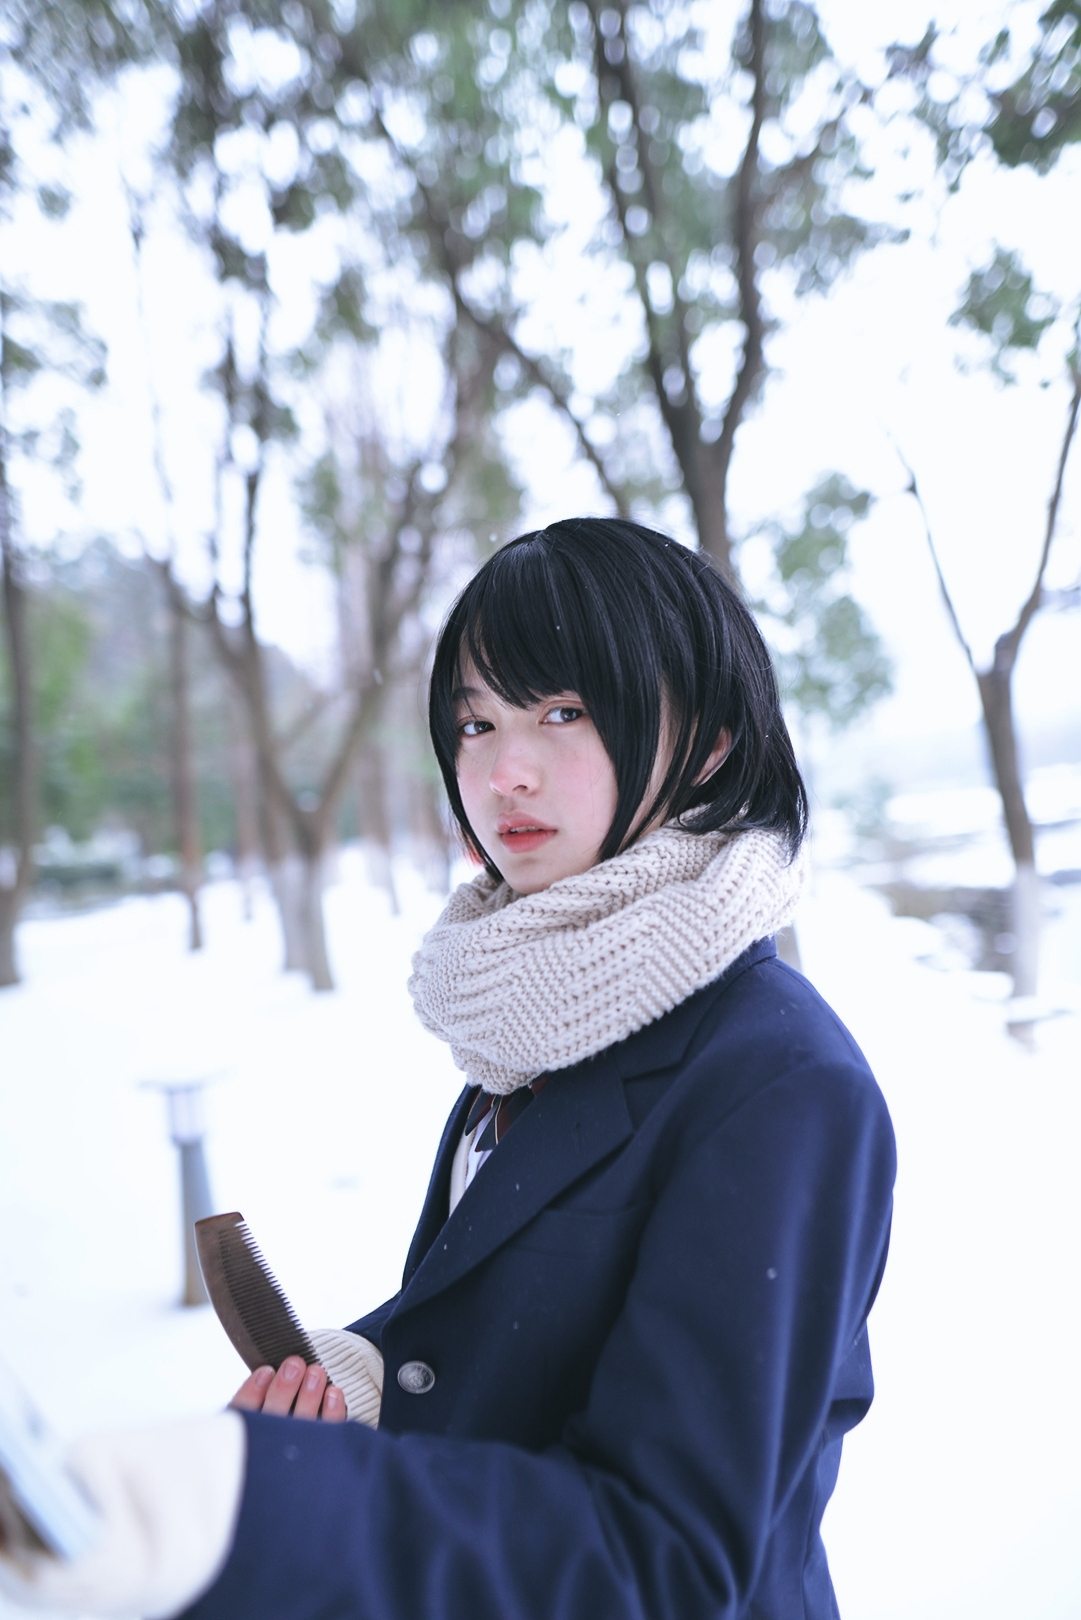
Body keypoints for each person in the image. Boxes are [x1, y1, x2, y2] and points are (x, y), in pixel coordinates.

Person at [0, 518, 895, 1620]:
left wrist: (265, 1506)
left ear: (708, 744)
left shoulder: (777, 1083)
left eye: (563, 712)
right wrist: (368, 1378)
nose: (503, 771)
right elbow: (522, 1325)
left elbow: (662, 1561)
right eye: (476, 723)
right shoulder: (544, 1015)